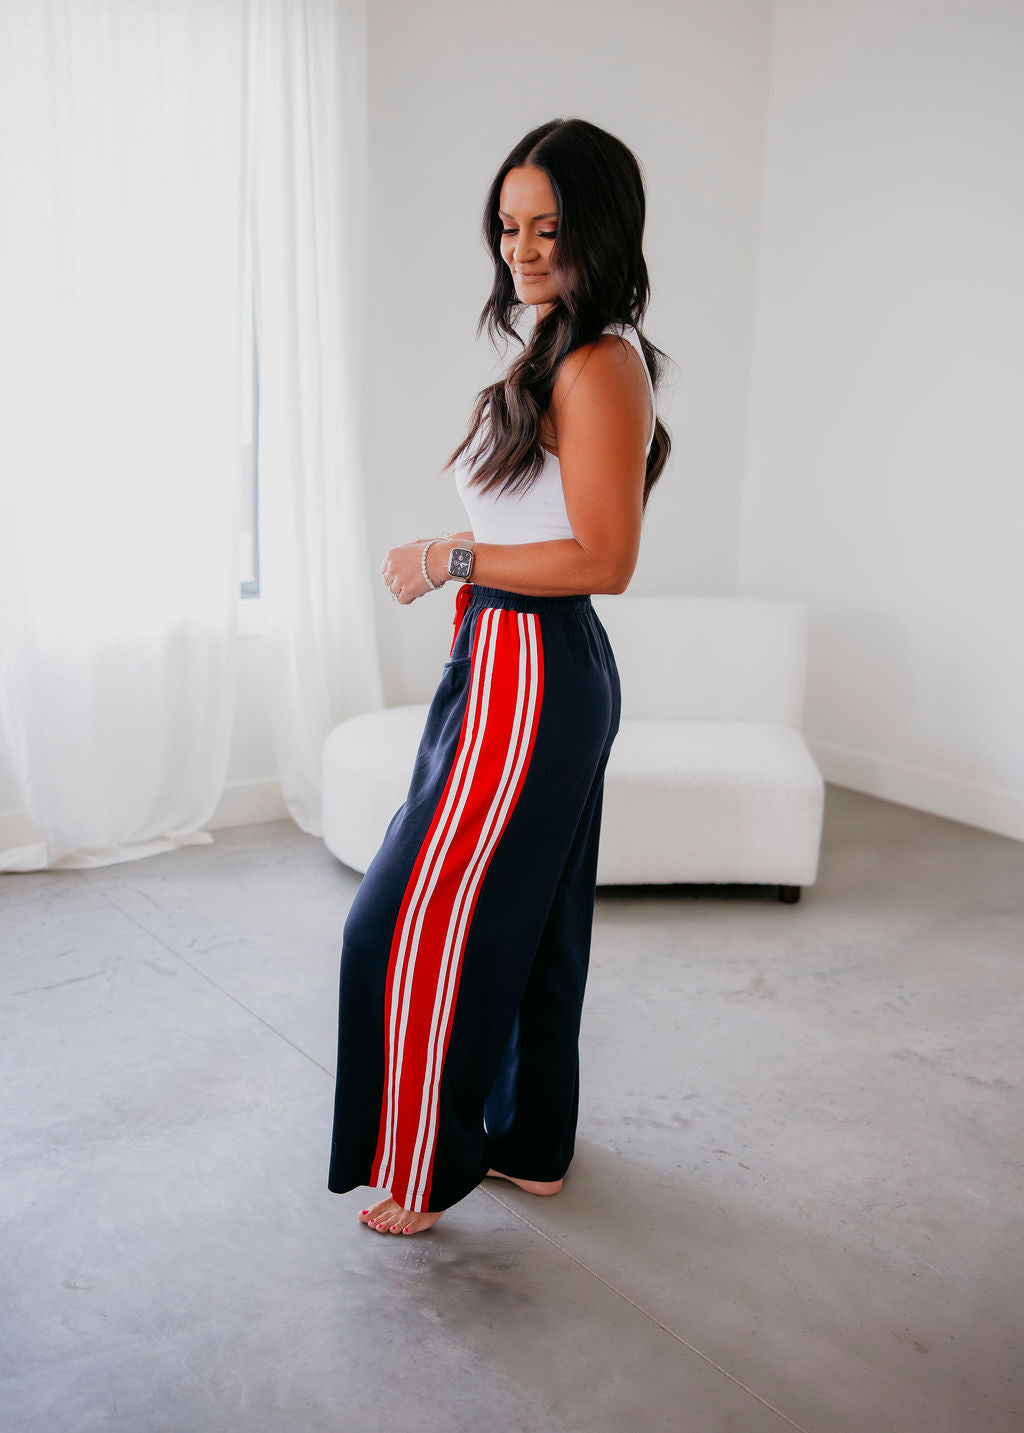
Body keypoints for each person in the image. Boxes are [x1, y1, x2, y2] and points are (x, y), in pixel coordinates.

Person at [327, 117, 671, 1235]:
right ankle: (531, 1143)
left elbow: (604, 559)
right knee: (535, 914)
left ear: (597, 230)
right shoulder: (557, 351)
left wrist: (449, 557)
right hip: (511, 659)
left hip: (534, 666)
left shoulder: (599, 364)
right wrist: (465, 586)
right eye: (509, 226)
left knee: (407, 918)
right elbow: (540, 527)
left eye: (547, 228)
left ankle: (425, 1164)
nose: (521, 250)